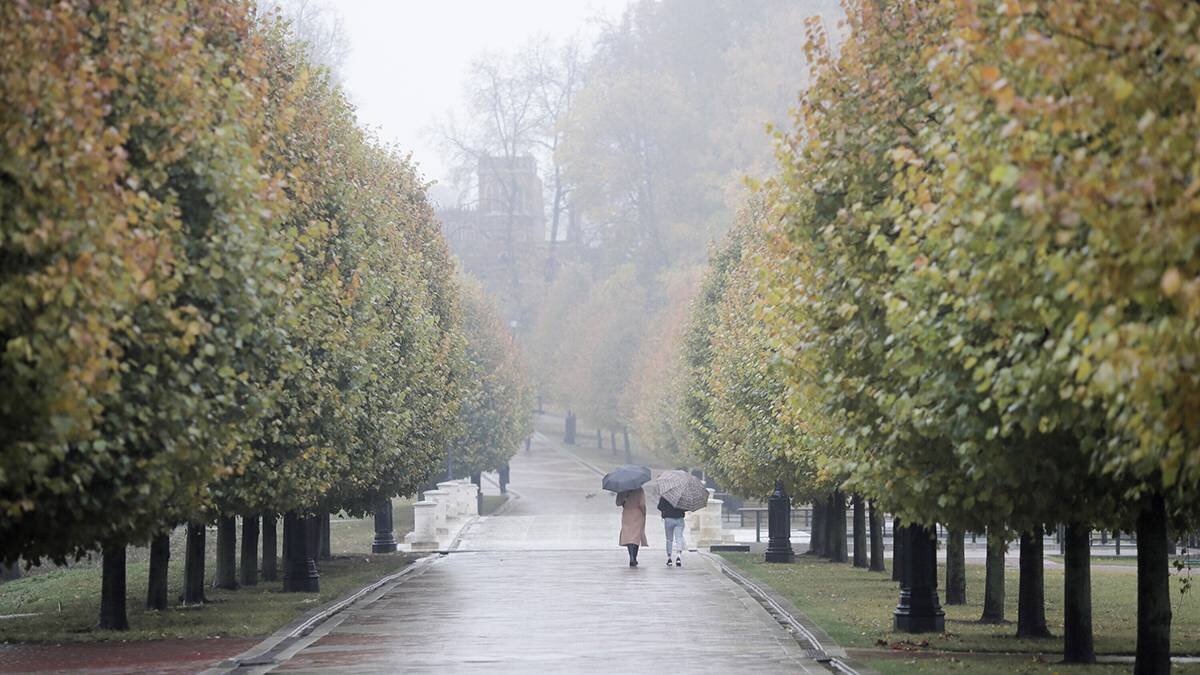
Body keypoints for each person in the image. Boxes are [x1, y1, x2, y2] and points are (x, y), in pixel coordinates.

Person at [616, 488, 648, 567]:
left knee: (628, 536)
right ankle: (634, 557)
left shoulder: (622, 489)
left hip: (627, 513)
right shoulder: (640, 490)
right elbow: (642, 504)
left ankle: (631, 556)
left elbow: (618, 503)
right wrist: (644, 512)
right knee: (636, 536)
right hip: (637, 513)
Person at [658, 497, 686, 567]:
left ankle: (669, 558)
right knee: (679, 538)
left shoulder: (665, 495)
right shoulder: (682, 496)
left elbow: (660, 507)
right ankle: (678, 557)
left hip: (668, 518)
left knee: (669, 539)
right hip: (679, 518)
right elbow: (686, 508)